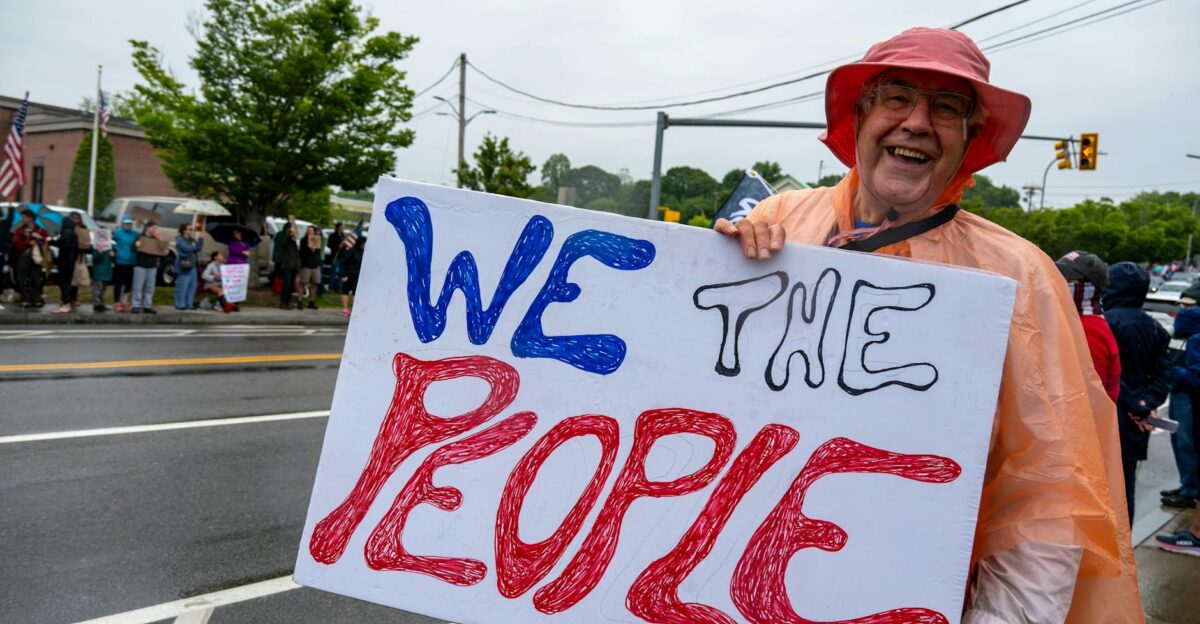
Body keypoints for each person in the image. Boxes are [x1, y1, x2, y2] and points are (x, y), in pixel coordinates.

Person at [717, 27, 1140, 623]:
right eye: (896, 97)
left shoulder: (1019, 276)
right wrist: (708, 270)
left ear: (969, 138)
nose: (917, 122)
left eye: (946, 107)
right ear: (859, 116)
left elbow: (1047, 499)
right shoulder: (779, 219)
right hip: (728, 584)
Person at [1102, 261, 1174, 522]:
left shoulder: (1105, 323)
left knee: (1098, 490)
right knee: (1125, 489)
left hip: (1109, 417)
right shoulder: (1154, 327)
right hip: (1137, 424)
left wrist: (1134, 404)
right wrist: (1146, 404)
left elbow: (1106, 374)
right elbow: (1166, 373)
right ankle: (1124, 553)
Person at [1056, 251, 1120, 402]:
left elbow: (1088, 395)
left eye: (1066, 278)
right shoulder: (1077, 321)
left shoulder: (1088, 329)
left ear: (1087, 286)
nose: (1057, 282)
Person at [1162, 284, 1200, 509]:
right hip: (1178, 393)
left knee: (1187, 443)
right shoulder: (1181, 334)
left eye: (1188, 306)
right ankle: (1186, 483)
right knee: (1179, 442)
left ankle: (1191, 490)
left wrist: (1172, 372)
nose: (1181, 310)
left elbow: (1195, 375)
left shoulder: (1195, 338)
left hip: (1188, 397)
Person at [10, 209, 48, 308]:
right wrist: (28, 243)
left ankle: (35, 298)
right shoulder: (20, 230)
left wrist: (39, 238)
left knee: (36, 279)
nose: (22, 219)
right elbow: (16, 244)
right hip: (23, 257)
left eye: (24, 217)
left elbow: (47, 241)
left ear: (30, 218)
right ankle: (25, 298)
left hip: (36, 258)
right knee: (21, 278)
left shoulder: (40, 230)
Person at [49, 212, 82, 313]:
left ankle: (65, 303)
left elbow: (64, 245)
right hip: (70, 262)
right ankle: (65, 302)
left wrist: (52, 242)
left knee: (63, 283)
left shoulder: (67, 232)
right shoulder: (74, 234)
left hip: (65, 262)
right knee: (66, 283)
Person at [132, 223, 163, 314]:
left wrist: (160, 239)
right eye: (153, 228)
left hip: (152, 265)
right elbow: (133, 249)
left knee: (150, 287)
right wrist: (136, 245)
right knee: (138, 286)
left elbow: (162, 250)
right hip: (141, 264)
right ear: (148, 228)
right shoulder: (140, 237)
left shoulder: (155, 239)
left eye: (156, 228)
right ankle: (136, 305)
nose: (155, 230)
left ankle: (147, 305)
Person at [173, 223, 204, 310]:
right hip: (184, 265)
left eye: (191, 229)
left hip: (193, 265)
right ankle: (179, 304)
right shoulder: (179, 239)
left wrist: (201, 239)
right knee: (182, 286)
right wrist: (194, 247)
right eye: (190, 229)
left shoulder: (192, 240)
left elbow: (199, 248)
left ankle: (188, 304)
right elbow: (185, 248)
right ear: (184, 230)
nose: (191, 231)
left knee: (192, 286)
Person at [111, 215, 139, 312]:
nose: (128, 225)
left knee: (129, 283)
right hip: (120, 261)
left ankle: (124, 301)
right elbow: (110, 241)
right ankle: (117, 302)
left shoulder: (135, 234)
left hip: (132, 261)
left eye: (130, 224)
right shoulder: (117, 233)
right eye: (126, 223)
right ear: (122, 223)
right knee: (119, 283)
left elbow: (142, 240)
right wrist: (114, 250)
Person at [274, 223, 301, 309]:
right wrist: (290, 234)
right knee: (286, 284)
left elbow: (296, 255)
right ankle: (283, 302)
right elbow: (284, 243)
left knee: (290, 286)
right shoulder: (286, 240)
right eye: (295, 230)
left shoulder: (294, 242)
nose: (296, 231)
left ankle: (287, 302)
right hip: (287, 265)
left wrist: (298, 265)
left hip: (294, 266)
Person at [338, 235, 364, 318]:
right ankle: (345, 309)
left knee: (355, 292)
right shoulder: (351, 250)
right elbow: (342, 263)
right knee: (346, 291)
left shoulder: (362, 251)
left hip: (357, 274)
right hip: (348, 274)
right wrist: (343, 275)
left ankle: (355, 308)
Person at [299, 225, 323, 309]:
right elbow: (302, 252)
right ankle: (300, 301)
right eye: (308, 230)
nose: (310, 232)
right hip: (306, 265)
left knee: (315, 283)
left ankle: (311, 301)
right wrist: (310, 249)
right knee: (303, 283)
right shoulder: (303, 240)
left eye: (311, 230)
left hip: (315, 265)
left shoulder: (317, 239)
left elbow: (318, 250)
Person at [91, 240, 115, 312]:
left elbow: (112, 259)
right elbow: (95, 258)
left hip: (106, 271)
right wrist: (99, 252)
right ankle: (97, 304)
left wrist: (113, 255)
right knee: (98, 289)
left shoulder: (109, 247)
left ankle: (100, 303)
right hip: (99, 272)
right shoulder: (96, 247)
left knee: (103, 289)